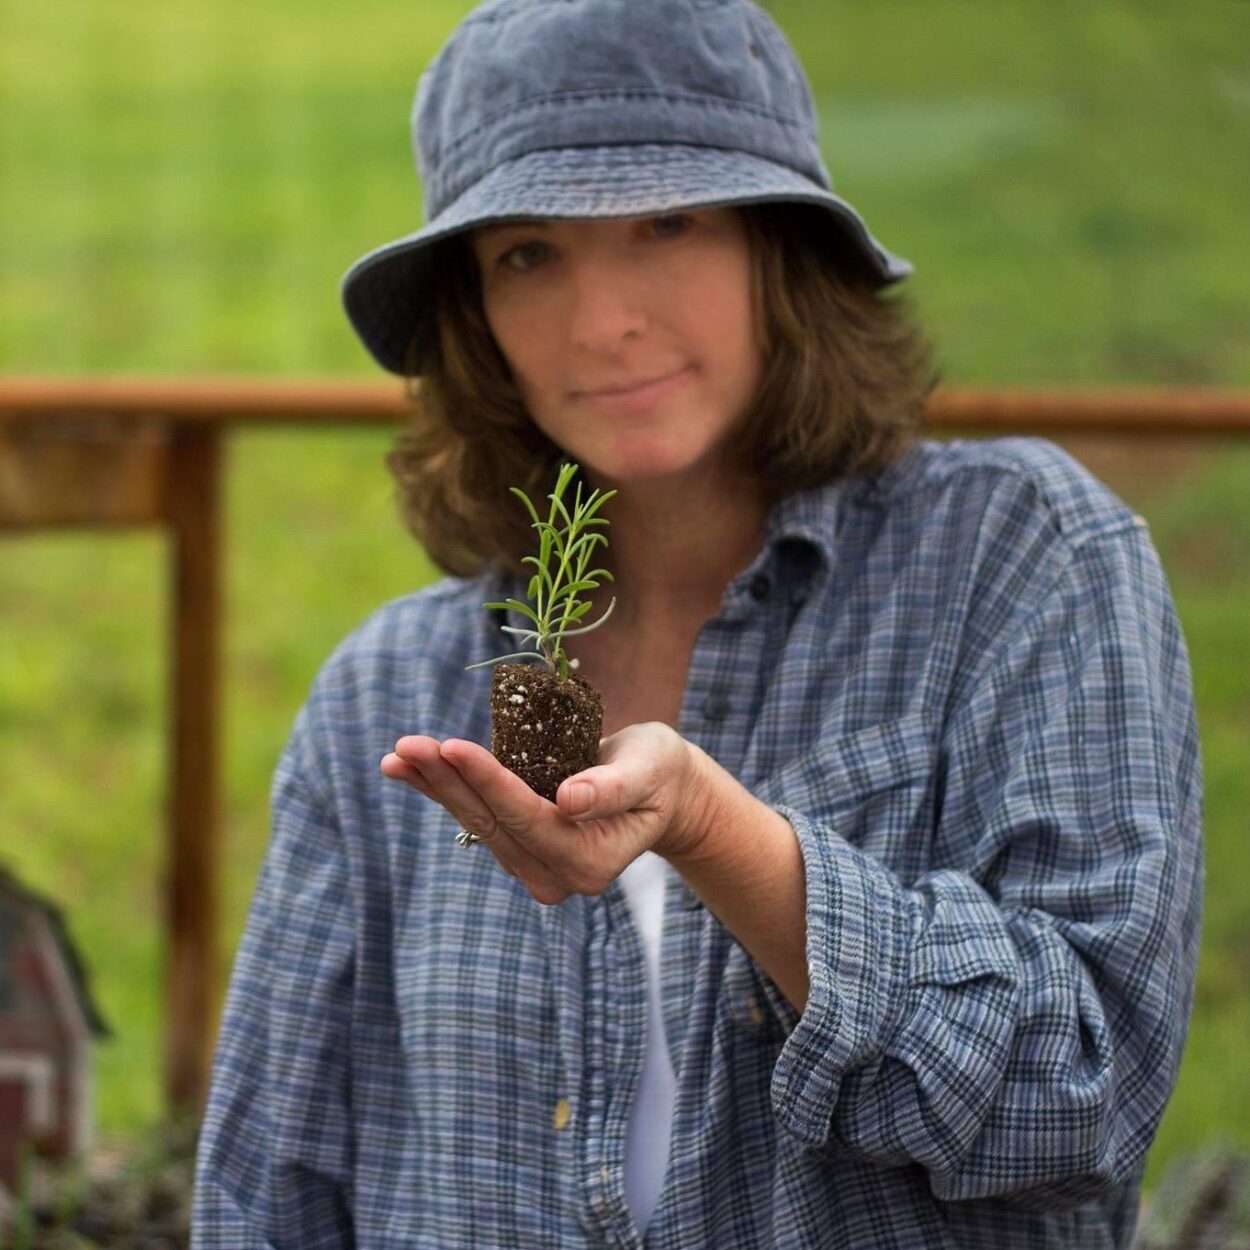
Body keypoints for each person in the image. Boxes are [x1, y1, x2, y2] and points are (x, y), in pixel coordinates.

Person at [190, 0, 1203, 1246]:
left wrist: (722, 836)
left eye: (666, 223)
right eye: (527, 253)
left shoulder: (1016, 560)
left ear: (780, 251)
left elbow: (1078, 1101)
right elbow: (265, 1197)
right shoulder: (384, 691)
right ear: (473, 313)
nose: (602, 321)